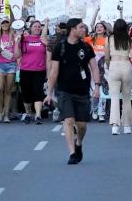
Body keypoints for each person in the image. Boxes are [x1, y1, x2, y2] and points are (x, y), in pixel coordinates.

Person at [46, 18, 101, 165]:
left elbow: (94, 67)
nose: (84, 30)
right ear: (73, 29)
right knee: (69, 120)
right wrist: (49, 93)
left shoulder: (86, 47)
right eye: (81, 27)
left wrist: (97, 86)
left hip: (82, 91)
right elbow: (53, 72)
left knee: (82, 125)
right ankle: (71, 152)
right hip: (64, 91)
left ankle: (79, 143)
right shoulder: (60, 47)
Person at [105, 19, 132, 134]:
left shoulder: (109, 39)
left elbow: (106, 56)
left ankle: (115, 126)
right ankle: (127, 126)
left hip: (114, 65)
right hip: (126, 66)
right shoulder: (130, 40)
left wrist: (109, 66)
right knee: (127, 98)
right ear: (126, 28)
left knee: (114, 98)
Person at [17, 20, 48, 125]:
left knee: (38, 92)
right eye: (35, 26)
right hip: (25, 69)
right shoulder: (24, 39)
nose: (37, 28)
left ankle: (38, 115)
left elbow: (50, 54)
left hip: (39, 70)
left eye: (39, 26)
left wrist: (47, 44)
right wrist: (17, 43)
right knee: (26, 93)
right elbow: (17, 55)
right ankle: (28, 113)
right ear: (30, 28)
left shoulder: (43, 39)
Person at [0, 18, 19, 123]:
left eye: (7, 22)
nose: (5, 24)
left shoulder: (14, 37)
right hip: (0, 64)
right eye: (3, 22)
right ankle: (0, 111)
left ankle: (6, 114)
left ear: (9, 24)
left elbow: (17, 53)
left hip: (11, 64)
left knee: (8, 90)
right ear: (0, 24)